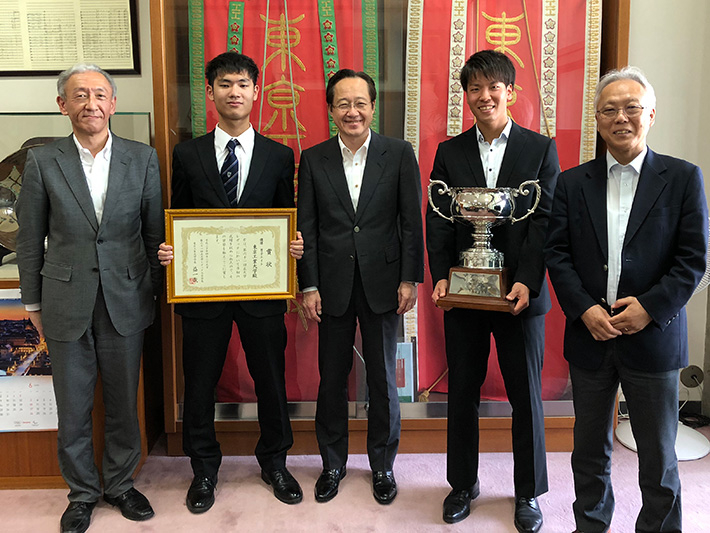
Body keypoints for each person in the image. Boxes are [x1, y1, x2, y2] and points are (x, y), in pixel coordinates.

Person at [545, 66, 707, 533]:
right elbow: (557, 254)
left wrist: (650, 308)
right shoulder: (573, 183)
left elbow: (693, 260)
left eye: (632, 107)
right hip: (590, 334)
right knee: (589, 450)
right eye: (609, 109)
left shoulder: (682, 178)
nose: (621, 117)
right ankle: (591, 525)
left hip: (653, 337)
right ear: (597, 120)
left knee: (659, 454)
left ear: (650, 114)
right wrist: (584, 309)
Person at [16, 64, 163, 533]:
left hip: (127, 296)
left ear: (113, 103)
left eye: (100, 94)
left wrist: (156, 290)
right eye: (79, 95)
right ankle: (81, 493)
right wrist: (33, 303)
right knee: (73, 406)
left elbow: (154, 232)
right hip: (64, 299)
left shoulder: (142, 158)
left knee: (123, 402)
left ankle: (120, 485)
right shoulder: (42, 161)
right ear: (63, 105)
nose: (91, 104)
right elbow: (28, 238)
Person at [157, 52, 304, 513]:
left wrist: (293, 246)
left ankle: (275, 462)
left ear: (255, 92)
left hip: (262, 292)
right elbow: (178, 217)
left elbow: (286, 218)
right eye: (225, 84)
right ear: (210, 92)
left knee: (271, 381)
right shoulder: (187, 153)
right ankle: (203, 469)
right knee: (199, 383)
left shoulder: (281, 155)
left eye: (243, 83)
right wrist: (171, 251)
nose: (234, 92)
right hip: (205, 293)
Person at [426, 50, 559, 532]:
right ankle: (462, 483)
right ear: (467, 96)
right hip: (465, 292)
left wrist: (526, 278)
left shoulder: (540, 149)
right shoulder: (449, 151)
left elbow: (545, 222)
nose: (484, 96)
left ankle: (528, 492)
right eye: (475, 89)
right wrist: (441, 273)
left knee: (526, 393)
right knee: (462, 390)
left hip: (521, 294)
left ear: (510, 92)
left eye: (493, 87)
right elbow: (438, 219)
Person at [297, 69, 424, 504]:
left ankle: (383, 466)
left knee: (384, 378)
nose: (352, 111)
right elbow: (307, 227)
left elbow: (412, 221)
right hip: (330, 284)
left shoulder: (399, 153)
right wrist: (308, 285)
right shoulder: (313, 158)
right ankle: (332, 463)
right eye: (343, 104)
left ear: (372, 107)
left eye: (360, 103)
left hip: (384, 283)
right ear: (330, 109)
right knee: (331, 378)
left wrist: (410, 278)